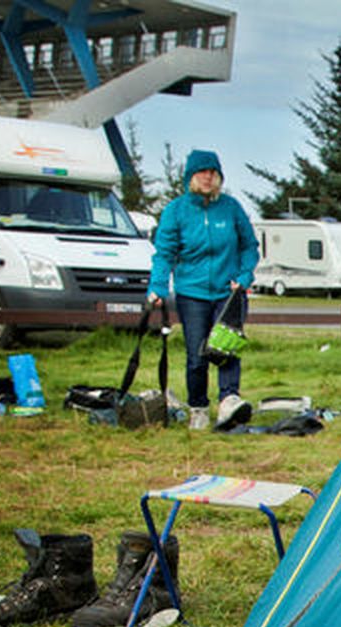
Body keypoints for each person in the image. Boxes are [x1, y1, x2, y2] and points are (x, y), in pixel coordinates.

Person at [148, 149, 259, 431]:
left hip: (229, 292)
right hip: (192, 293)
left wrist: (244, 276)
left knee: (227, 348)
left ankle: (229, 401)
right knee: (197, 356)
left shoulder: (231, 208)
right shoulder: (176, 211)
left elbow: (249, 247)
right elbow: (164, 254)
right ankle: (198, 407)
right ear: (191, 177)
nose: (208, 177)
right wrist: (158, 286)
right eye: (202, 172)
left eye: (213, 173)